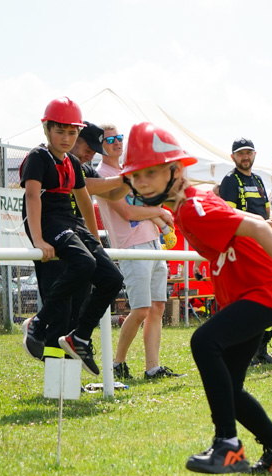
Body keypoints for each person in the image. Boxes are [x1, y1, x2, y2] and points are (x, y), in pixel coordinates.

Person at [121, 121, 272, 474]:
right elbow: (254, 220)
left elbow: (256, 227)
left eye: (151, 173)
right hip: (251, 295)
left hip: (264, 293)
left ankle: (228, 445)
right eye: (136, 176)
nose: (141, 181)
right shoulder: (190, 204)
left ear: (175, 171)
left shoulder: (193, 207)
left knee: (204, 342)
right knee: (229, 391)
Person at [20, 97, 124, 376]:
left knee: (112, 278)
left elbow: (85, 200)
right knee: (82, 269)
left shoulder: (71, 163)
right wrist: (39, 240)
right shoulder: (38, 157)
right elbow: (32, 196)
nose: (66, 138)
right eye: (60, 131)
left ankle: (80, 337)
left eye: (72, 132)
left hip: (70, 222)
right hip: (48, 221)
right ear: (46, 128)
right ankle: (38, 324)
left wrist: (96, 242)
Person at [96, 123, 185, 380]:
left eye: (119, 138)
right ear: (99, 144)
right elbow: (127, 212)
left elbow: (147, 203)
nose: (116, 142)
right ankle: (117, 363)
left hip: (153, 243)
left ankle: (152, 368)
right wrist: (159, 212)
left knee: (157, 306)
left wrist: (162, 224)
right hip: (131, 246)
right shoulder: (102, 174)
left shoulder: (129, 171)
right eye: (109, 139)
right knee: (141, 309)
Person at [219, 137, 272, 365]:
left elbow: (266, 210)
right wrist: (261, 223)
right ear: (233, 156)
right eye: (241, 153)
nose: (245, 157)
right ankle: (242, 351)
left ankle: (261, 350)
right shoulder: (229, 181)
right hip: (242, 246)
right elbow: (229, 216)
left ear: (254, 155)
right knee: (245, 300)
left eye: (249, 152)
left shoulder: (259, 180)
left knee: (265, 298)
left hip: (263, 246)